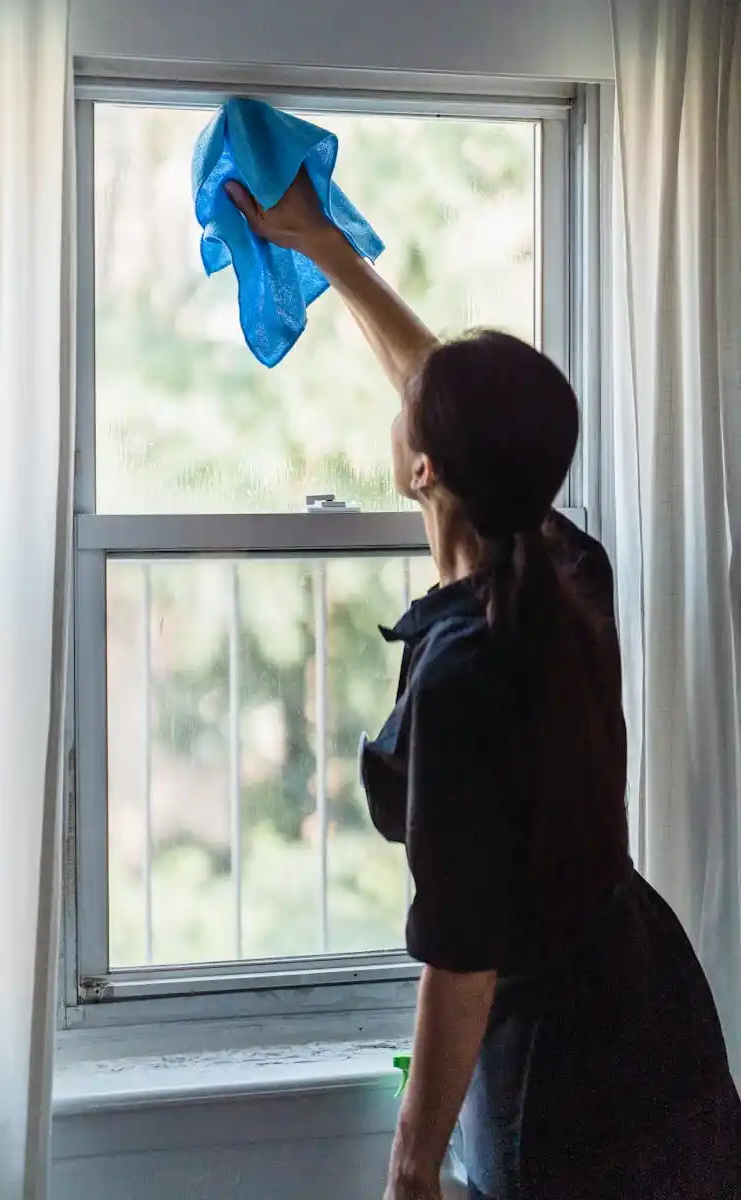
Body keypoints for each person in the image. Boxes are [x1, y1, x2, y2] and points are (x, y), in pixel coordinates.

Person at [226, 174, 741, 1200]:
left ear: (423, 470)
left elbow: (462, 958)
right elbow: (459, 406)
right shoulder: (569, 571)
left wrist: (410, 1167)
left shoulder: (463, 675)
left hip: (562, 1081)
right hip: (660, 1021)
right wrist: (323, 248)